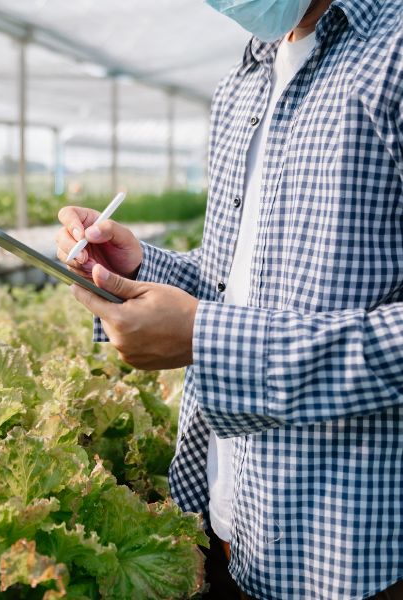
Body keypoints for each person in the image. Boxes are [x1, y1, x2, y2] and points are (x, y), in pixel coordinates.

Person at [55, 0, 403, 598]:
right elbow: (234, 283)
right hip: (233, 516)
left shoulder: (391, 54)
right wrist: (139, 267)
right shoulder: (246, 80)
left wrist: (203, 338)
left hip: (347, 553)